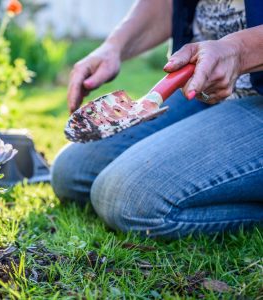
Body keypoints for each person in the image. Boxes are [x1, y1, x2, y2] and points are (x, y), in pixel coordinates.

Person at [51, 0, 263, 238]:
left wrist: (239, 50)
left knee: (126, 199)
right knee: (72, 172)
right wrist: (114, 46)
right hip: (200, 84)